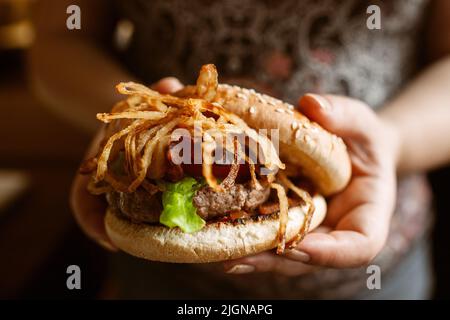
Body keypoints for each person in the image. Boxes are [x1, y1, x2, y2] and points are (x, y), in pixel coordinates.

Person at [29, 0, 450, 299]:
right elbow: (58, 37)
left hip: (376, 272)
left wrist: (390, 139)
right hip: (164, 279)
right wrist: (130, 119)